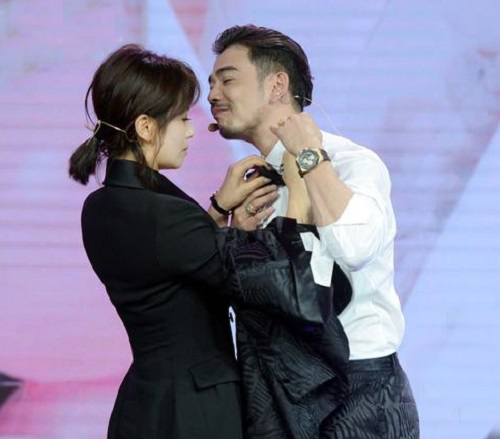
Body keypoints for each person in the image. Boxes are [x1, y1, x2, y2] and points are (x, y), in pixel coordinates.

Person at [68, 44, 339, 439]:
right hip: (193, 410)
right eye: (181, 118)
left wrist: (217, 210)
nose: (191, 130)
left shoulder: (102, 206)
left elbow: (174, 268)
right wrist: (298, 189)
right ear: (145, 127)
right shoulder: (162, 216)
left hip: (146, 403)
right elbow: (292, 292)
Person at [208, 25, 420, 438]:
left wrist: (308, 156)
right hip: (275, 393)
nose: (213, 94)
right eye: (211, 82)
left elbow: (354, 246)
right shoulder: (252, 188)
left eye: (227, 79)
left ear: (277, 85)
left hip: (357, 392)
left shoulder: (353, 163)